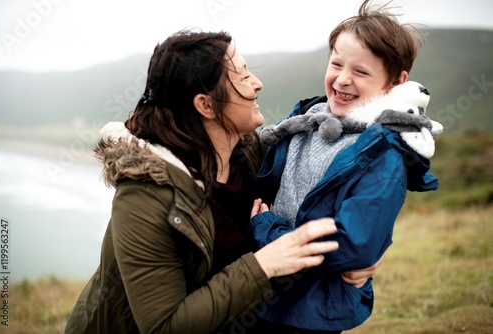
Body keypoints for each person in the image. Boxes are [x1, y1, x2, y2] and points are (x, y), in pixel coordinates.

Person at [64, 29, 383, 334]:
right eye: (243, 77)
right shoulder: (144, 196)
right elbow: (165, 326)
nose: (257, 84)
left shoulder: (253, 155)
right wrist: (264, 265)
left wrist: (360, 259)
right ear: (205, 105)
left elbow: (335, 196)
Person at [249, 0, 440, 333]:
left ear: (396, 81)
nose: (343, 79)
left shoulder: (383, 153)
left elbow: (352, 247)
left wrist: (265, 230)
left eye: (361, 72)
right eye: (337, 64)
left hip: (310, 310)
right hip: (259, 292)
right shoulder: (303, 121)